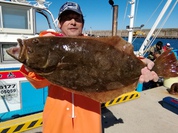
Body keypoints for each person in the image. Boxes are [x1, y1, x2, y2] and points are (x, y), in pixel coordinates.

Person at [19, 2, 159, 133]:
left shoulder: (95, 45)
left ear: (82, 24)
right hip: (57, 121)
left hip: (88, 121)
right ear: (60, 24)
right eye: (67, 18)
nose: (73, 22)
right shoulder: (50, 44)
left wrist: (140, 63)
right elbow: (38, 82)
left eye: (77, 18)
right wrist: (34, 57)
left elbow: (115, 56)